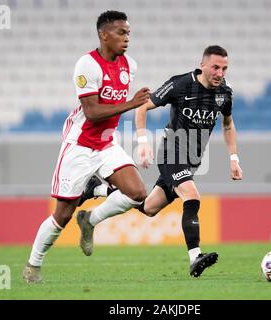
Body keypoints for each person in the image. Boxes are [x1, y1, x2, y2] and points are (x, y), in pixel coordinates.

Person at [78, 45, 243, 277]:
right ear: (203, 64)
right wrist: (143, 141)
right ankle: (195, 256)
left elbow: (228, 125)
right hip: (172, 154)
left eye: (224, 68)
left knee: (148, 207)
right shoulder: (181, 84)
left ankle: (97, 190)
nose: (220, 73)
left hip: (192, 160)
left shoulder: (224, 93)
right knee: (192, 196)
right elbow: (143, 106)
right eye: (215, 67)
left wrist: (233, 158)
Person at [22, 10, 150, 283]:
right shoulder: (87, 65)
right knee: (62, 215)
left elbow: (112, 109)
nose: (127, 38)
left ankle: (89, 219)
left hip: (106, 143)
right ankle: (33, 265)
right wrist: (132, 103)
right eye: (121, 33)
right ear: (104, 35)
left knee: (137, 193)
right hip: (79, 145)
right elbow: (91, 112)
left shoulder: (131, 66)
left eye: (128, 33)